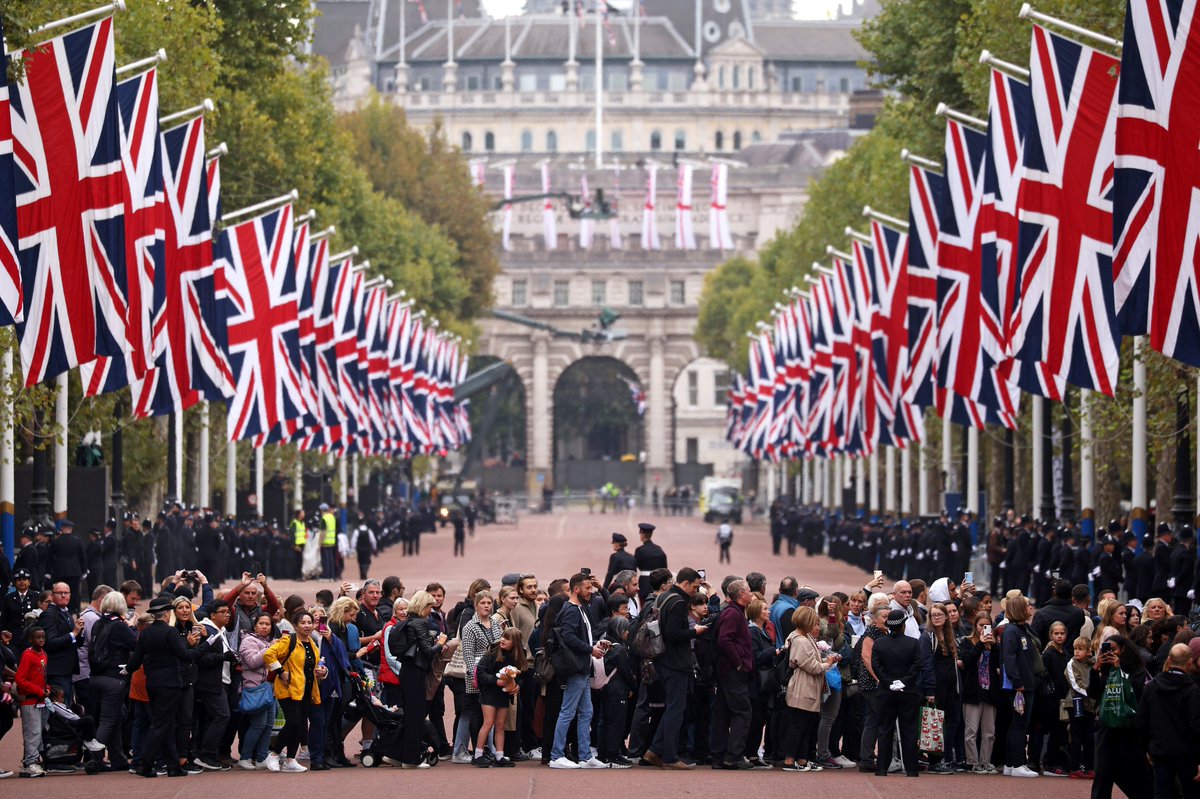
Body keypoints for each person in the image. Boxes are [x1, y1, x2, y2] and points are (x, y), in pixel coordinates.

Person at [126, 593, 203, 778]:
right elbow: (185, 656)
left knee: (166, 724)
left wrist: (126, 669)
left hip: (152, 684)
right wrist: (203, 648)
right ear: (167, 614)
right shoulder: (170, 632)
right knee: (160, 725)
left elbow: (135, 661)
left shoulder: (146, 633)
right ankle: (145, 764)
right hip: (170, 684)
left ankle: (173, 766)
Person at [643, 567, 707, 770]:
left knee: (673, 708)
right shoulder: (679, 602)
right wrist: (695, 632)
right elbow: (673, 634)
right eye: (695, 586)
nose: (696, 590)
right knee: (675, 710)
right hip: (675, 663)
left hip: (662, 659)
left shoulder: (664, 597)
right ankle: (670, 757)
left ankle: (654, 751)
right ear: (685, 583)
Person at [549, 573, 608, 769]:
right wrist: (590, 649)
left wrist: (593, 646)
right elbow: (568, 637)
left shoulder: (579, 609)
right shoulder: (572, 611)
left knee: (586, 712)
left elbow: (578, 637)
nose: (590, 592)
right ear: (576, 589)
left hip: (582, 667)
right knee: (568, 711)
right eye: (587, 588)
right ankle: (556, 755)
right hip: (576, 667)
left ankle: (584, 756)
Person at [262, 610, 328, 773]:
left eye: (309, 623)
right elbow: (269, 654)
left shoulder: (312, 643)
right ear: (295, 625)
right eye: (303, 623)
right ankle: (275, 753)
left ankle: (291, 759)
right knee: (292, 723)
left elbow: (313, 665)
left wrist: (323, 672)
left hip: (306, 690)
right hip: (288, 688)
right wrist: (281, 672)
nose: (307, 626)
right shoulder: (288, 640)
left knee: (299, 725)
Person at [1088, 635, 1151, 799]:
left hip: (1128, 728)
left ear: (1123, 649)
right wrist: (1096, 668)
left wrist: (1119, 668)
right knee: (1102, 772)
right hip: (1107, 727)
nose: (1110, 653)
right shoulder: (1105, 669)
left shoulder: (1136, 669)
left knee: (1133, 774)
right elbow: (1093, 693)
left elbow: (1135, 693)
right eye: (1106, 649)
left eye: (1113, 649)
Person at [1136, 643, 1200, 799]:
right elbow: (1196, 724)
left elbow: (1142, 721)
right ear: (1189, 662)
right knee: (1191, 792)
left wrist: (1147, 747)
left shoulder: (1152, 687)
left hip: (1159, 749)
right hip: (1186, 752)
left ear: (1169, 660)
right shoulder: (1192, 689)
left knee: (1162, 792)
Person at [393, 590, 449, 768]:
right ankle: (411, 759)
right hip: (416, 673)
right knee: (415, 718)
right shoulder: (419, 623)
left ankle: (394, 753)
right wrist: (440, 643)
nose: (430, 610)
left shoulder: (408, 621)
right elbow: (427, 651)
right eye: (429, 606)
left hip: (408, 672)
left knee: (410, 716)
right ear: (423, 606)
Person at [871, 609, 926, 777]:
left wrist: (889, 683)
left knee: (884, 730)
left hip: (886, 692)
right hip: (908, 692)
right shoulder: (913, 643)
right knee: (909, 730)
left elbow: (876, 666)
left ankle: (881, 768)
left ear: (888, 626)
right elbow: (917, 665)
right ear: (903, 625)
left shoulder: (879, 643)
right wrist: (903, 682)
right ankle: (911, 769)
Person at [781, 606, 836, 772]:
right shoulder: (802, 640)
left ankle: (802, 760)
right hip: (803, 686)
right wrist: (828, 663)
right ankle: (789, 761)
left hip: (807, 686)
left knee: (805, 725)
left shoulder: (801, 636)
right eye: (814, 622)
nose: (816, 626)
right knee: (798, 725)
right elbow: (811, 666)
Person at [89, 590, 137, 772]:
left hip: (96, 677)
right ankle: (96, 759)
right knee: (108, 720)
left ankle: (118, 759)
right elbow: (135, 643)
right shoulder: (120, 626)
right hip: (113, 679)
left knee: (117, 718)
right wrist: (131, 626)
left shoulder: (98, 623)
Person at [710, 579, 754, 770]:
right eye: (749, 591)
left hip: (726, 671)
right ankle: (733, 756)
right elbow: (724, 640)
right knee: (743, 712)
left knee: (723, 712)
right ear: (741, 594)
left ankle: (719, 756)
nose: (751, 594)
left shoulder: (733, 611)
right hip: (732, 671)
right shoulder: (733, 614)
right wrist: (738, 663)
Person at [474, 627, 526, 768]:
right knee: (488, 722)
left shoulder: (517, 657)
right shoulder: (492, 652)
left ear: (515, 643)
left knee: (500, 725)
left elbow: (521, 676)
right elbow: (480, 672)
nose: (503, 639)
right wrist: (496, 681)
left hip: (503, 694)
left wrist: (517, 686)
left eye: (507, 638)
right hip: (489, 693)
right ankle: (478, 754)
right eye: (503, 636)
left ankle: (500, 755)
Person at [459, 590, 501, 761]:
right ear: (476, 605)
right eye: (483, 603)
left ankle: (487, 750)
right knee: (477, 713)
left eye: (489, 603)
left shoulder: (495, 623)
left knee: (490, 716)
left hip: (492, 676)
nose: (486, 606)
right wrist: (475, 678)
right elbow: (468, 654)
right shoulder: (470, 627)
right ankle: (478, 751)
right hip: (476, 678)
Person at [1000, 593, 1039, 777]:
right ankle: (1017, 763)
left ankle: (1010, 763)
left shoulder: (1022, 629)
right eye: (1026, 605)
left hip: (1025, 683)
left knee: (1016, 724)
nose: (1030, 608)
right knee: (1019, 725)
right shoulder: (1011, 631)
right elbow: (1009, 659)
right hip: (1020, 686)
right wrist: (1017, 682)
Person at [959, 612, 1000, 774]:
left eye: (987, 626)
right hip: (973, 692)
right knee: (971, 730)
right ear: (975, 626)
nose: (983, 629)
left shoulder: (995, 645)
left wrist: (994, 646)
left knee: (989, 732)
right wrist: (980, 645)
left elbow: (1000, 663)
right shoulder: (967, 642)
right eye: (980, 625)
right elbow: (967, 662)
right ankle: (972, 762)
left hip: (990, 692)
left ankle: (985, 761)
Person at [236, 612, 278, 770]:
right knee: (258, 725)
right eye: (261, 624)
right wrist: (270, 648)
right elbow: (253, 662)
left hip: (269, 688)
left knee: (268, 725)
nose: (265, 627)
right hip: (254, 689)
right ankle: (245, 757)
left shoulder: (270, 641)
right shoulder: (248, 640)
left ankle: (261, 758)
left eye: (268, 624)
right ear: (255, 626)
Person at [37, 582, 83, 704]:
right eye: (59, 593)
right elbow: (50, 643)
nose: (63, 596)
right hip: (56, 671)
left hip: (67, 670)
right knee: (60, 709)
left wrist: (80, 633)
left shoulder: (66, 611)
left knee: (67, 707)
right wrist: (73, 633)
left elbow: (75, 641)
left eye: (66, 593)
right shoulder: (49, 614)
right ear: (52, 596)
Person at [16, 626, 48, 778]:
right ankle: (29, 763)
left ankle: (31, 760)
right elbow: (20, 679)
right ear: (30, 639)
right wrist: (38, 690)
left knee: (37, 732)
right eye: (38, 637)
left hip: (40, 699)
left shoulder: (43, 654)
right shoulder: (28, 655)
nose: (41, 640)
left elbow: (41, 676)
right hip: (30, 701)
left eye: (43, 637)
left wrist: (46, 688)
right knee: (32, 732)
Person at [1064, 635, 1096, 778]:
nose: (1077, 652)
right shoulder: (1071, 664)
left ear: (1089, 651)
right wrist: (1092, 693)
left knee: (1089, 737)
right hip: (1075, 703)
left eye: (1080, 649)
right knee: (1076, 736)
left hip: (1090, 705)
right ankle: (1075, 767)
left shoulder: (1093, 664)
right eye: (1075, 649)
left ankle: (1090, 767)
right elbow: (1075, 684)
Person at [633, 523, 667, 601]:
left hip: (644, 584)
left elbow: (634, 567)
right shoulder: (659, 550)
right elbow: (665, 569)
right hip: (658, 584)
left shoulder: (640, 550)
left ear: (642, 535)